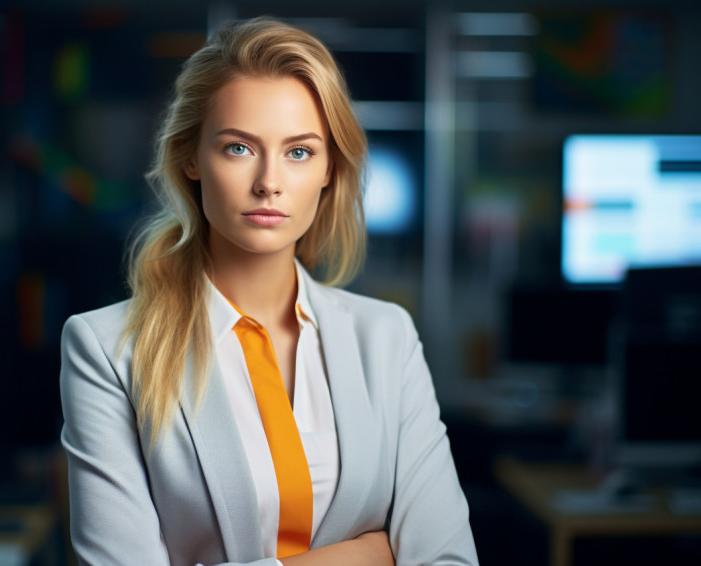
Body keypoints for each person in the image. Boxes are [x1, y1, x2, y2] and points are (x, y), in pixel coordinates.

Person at [60, 17, 478, 566]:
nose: (269, 182)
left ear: (331, 167)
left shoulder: (387, 337)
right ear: (191, 157)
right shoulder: (107, 348)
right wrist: (364, 556)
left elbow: (448, 559)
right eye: (238, 148)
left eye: (299, 152)